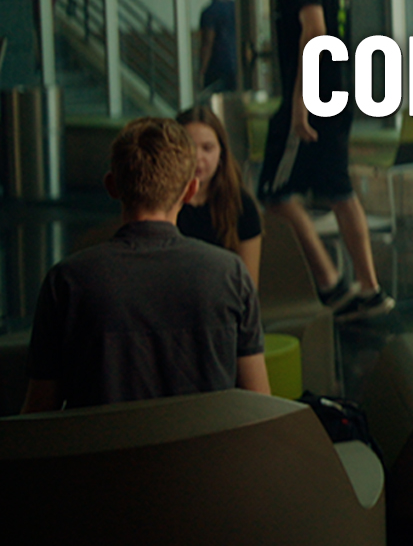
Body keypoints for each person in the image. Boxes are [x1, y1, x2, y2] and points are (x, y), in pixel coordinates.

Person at [22, 118, 268, 412]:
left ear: (112, 186)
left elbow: (38, 414)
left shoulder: (66, 282)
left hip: (104, 457)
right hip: (206, 457)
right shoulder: (230, 274)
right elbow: (259, 405)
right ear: (190, 191)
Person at [256, 0, 393, 321]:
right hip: (335, 94)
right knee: (338, 191)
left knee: (272, 193)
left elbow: (314, 32)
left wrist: (299, 102)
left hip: (313, 98)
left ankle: (332, 284)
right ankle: (366, 289)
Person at [175, 105, 263, 286]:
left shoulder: (241, 204)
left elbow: (248, 285)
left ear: (221, 153)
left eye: (207, 148)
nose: (198, 158)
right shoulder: (162, 203)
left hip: (223, 304)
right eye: (188, 148)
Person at [198, 0, 240, 95]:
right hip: (236, 64)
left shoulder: (209, 12)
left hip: (217, 67)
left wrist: (201, 72)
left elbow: (207, 43)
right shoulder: (235, 7)